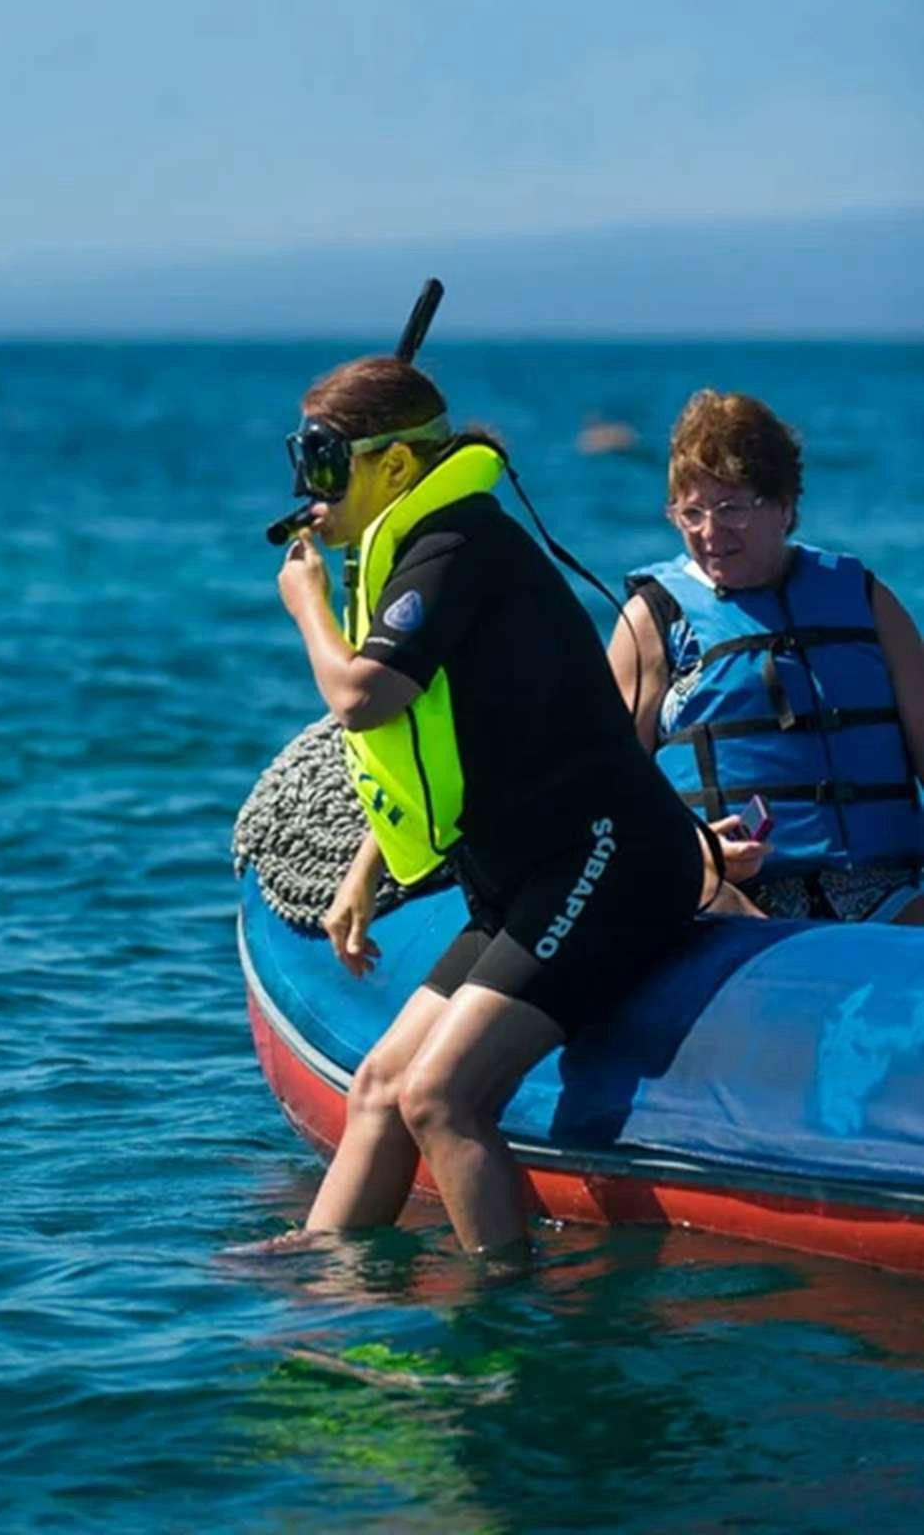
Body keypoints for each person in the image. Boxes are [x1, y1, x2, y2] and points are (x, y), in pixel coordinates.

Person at [274, 354, 714, 1268]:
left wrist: (308, 608)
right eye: (301, 464)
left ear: (393, 467)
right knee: (380, 1084)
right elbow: (419, 747)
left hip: (610, 857)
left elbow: (364, 699)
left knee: (442, 1097)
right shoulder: (413, 551)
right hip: (524, 874)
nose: (308, 491)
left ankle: (505, 1328)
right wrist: (364, 870)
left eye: (325, 463)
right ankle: (321, 1273)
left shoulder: (457, 547)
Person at [608, 390, 924, 924]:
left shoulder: (866, 600)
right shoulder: (653, 623)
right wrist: (694, 853)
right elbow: (607, 788)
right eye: (691, 512)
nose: (710, 533)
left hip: (884, 891)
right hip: (733, 899)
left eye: (731, 508)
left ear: (785, 506)